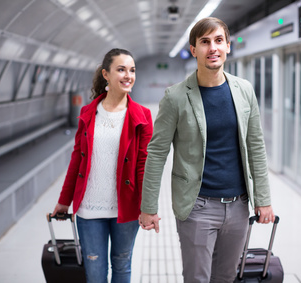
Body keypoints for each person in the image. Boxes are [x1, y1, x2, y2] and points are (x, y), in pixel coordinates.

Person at [139, 17, 275, 282]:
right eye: (205, 42)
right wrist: (149, 207)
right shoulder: (176, 96)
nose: (212, 48)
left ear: (227, 46)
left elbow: (256, 145)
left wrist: (264, 199)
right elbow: (156, 154)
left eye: (218, 40)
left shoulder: (244, 90)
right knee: (197, 279)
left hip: (238, 207)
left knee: (225, 277)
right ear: (194, 50)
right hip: (197, 207)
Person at [52, 48, 153, 283]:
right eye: (121, 69)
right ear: (106, 74)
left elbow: (143, 166)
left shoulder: (142, 116)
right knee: (95, 273)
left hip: (126, 208)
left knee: (122, 265)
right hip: (89, 209)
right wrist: (63, 201)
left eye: (132, 70)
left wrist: (148, 207)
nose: (128, 75)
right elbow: (77, 160)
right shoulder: (88, 113)